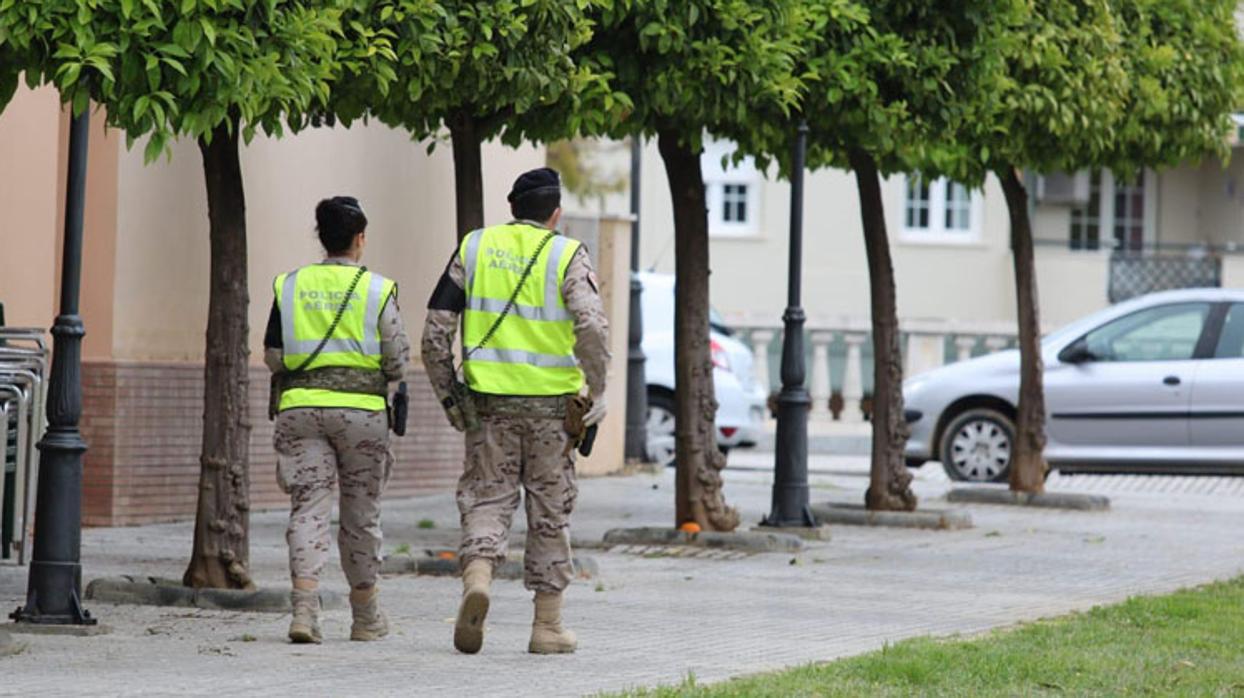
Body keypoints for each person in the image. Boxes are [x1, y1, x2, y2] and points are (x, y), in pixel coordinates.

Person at [422, 167, 609, 654]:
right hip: (552, 412)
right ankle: (547, 628)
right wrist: (600, 386)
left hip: (488, 408)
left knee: (487, 500)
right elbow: (590, 324)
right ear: (556, 213)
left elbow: (435, 332)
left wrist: (451, 396)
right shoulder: (567, 253)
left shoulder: (475, 248)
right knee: (549, 511)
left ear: (513, 209)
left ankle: (478, 580)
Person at [264, 196, 410, 644]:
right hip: (362, 416)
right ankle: (366, 618)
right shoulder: (378, 290)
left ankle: (304, 613)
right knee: (360, 515)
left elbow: (273, 356)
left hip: (301, 411)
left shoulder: (289, 285)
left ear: (320, 236)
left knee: (308, 508)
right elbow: (398, 360)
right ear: (360, 238)